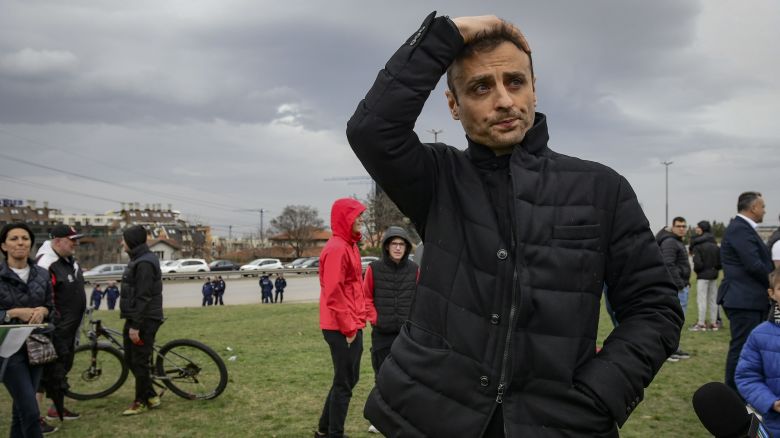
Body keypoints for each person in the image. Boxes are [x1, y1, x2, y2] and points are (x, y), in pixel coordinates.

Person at [346, 14, 684, 436]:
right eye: (480, 87)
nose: (504, 100)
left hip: (556, 423)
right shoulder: (439, 179)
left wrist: (602, 392)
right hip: (431, 419)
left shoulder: (603, 189)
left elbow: (654, 308)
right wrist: (446, 34)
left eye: (515, 82)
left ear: (534, 88)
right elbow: (371, 130)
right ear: (453, 105)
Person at [314, 198, 367, 438]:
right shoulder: (337, 248)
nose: (362, 220)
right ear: (346, 218)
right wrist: (348, 328)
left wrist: (359, 318)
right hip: (340, 327)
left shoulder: (350, 245)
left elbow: (354, 287)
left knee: (347, 379)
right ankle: (334, 434)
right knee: (345, 382)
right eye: (358, 216)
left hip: (352, 323)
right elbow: (333, 293)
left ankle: (325, 429)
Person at [363, 226, 419, 434]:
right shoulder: (374, 269)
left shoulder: (414, 269)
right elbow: (366, 296)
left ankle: (405, 415)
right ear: (387, 247)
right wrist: (374, 318)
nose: (397, 248)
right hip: (382, 332)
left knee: (407, 375)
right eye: (394, 244)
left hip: (406, 333)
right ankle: (379, 419)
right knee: (383, 375)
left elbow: (420, 298)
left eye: (401, 244)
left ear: (406, 247)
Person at [1, 222, 54, 437]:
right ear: (3, 246)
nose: (20, 242)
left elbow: (52, 309)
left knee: (20, 411)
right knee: (31, 411)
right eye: (14, 239)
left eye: (25, 238)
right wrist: (12, 313)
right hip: (7, 351)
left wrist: (43, 310)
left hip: (36, 348)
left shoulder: (42, 274)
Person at [719, 191, 775, 392]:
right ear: (753, 208)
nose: (764, 210)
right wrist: (775, 282)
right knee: (741, 349)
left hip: (749, 300)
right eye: (762, 206)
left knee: (747, 349)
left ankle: (743, 392)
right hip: (743, 300)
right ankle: (733, 394)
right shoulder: (739, 229)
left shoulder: (743, 229)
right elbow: (753, 265)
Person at [36, 224, 86, 424]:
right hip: (53, 331)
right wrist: (53, 326)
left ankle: (55, 408)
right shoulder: (46, 264)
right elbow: (40, 299)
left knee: (60, 372)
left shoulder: (67, 260)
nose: (76, 243)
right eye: (71, 240)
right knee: (42, 376)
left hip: (69, 330)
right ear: (57, 241)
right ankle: (34, 417)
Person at [119, 225, 164, 415]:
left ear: (132, 241)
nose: (121, 243)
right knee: (131, 358)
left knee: (139, 360)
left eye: (124, 239)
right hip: (135, 316)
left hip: (144, 319)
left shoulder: (144, 263)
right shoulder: (138, 259)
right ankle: (151, 395)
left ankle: (140, 401)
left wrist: (136, 326)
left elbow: (143, 296)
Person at [735, 268, 780, 437]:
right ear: (772, 293)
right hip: (775, 427)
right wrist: (772, 402)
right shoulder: (759, 335)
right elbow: (746, 377)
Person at [656, 217, 692, 361]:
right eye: (679, 226)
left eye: (684, 226)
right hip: (676, 289)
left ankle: (674, 349)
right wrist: (680, 284)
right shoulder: (670, 241)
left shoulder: (676, 240)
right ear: (673, 227)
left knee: (676, 322)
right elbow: (668, 264)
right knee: (672, 321)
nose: (682, 228)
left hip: (680, 286)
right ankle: (667, 351)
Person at [689, 221, 722, 331]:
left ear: (702, 228)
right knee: (713, 300)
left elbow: (697, 263)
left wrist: (698, 270)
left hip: (702, 276)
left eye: (698, 227)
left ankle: (701, 323)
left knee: (702, 300)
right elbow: (719, 263)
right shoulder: (715, 244)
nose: (696, 229)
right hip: (713, 275)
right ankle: (713, 323)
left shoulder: (697, 245)